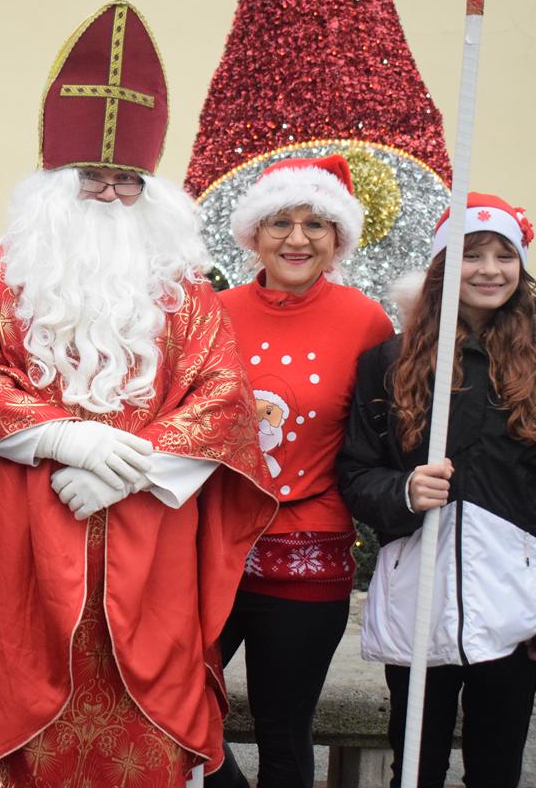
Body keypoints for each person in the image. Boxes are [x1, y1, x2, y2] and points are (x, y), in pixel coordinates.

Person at [0, 1, 277, 787]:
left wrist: (138, 464)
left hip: (153, 540)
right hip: (24, 539)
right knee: (16, 709)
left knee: (147, 723)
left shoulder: (185, 292)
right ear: (55, 183)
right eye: (92, 178)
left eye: (126, 181)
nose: (109, 195)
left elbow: (224, 399)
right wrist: (63, 437)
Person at [338, 193, 536, 788]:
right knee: (415, 768)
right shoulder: (387, 363)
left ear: (521, 266)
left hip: (513, 611)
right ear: (443, 265)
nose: (490, 270)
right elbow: (357, 476)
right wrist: (404, 491)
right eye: (472, 254)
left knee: (495, 770)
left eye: (503, 255)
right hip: (417, 605)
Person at [215, 154, 394, 788]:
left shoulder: (365, 321)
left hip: (306, 554)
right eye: (281, 223)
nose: (297, 238)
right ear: (254, 233)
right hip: (210, 549)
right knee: (174, 703)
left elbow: (384, 438)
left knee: (283, 730)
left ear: (336, 237)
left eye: (315, 223)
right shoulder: (214, 312)